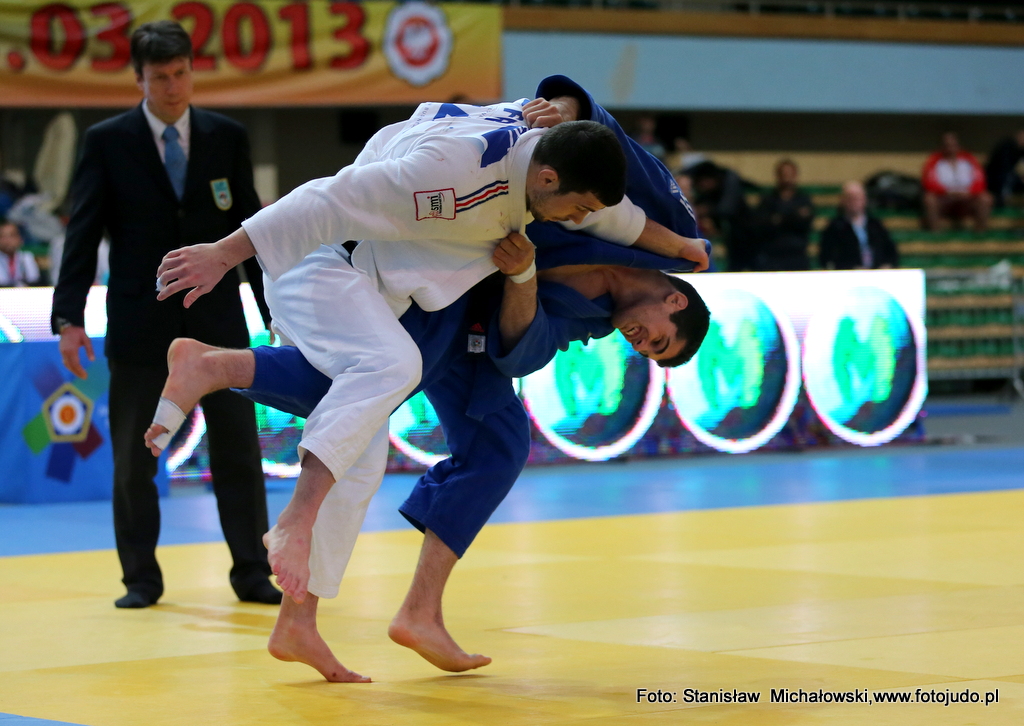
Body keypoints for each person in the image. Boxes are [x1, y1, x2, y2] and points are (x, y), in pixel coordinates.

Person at [149, 76, 710, 681]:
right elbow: (328, 199)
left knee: (409, 441)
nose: (579, 221)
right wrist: (223, 254)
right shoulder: (464, 177)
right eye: (657, 340)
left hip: (462, 313)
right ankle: (217, 368)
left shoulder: (596, 262)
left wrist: (528, 279)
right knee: (372, 380)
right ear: (674, 301)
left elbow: (591, 249)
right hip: (365, 273)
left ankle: (319, 618)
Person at [50, 20, 279, 609]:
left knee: (236, 449)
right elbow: (83, 230)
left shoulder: (226, 135)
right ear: (139, 79)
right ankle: (141, 579)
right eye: (160, 77)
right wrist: (67, 318)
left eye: (181, 74)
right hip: (140, 321)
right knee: (134, 456)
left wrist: (271, 307)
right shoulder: (108, 140)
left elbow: (250, 227)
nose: (173, 87)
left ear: (192, 71)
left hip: (219, 320)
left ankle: (252, 571)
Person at [818, 181, 899, 270]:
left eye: (858, 198)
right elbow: (827, 258)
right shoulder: (835, 227)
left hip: (877, 273)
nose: (855, 202)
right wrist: (851, 268)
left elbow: (891, 252)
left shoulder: (875, 225)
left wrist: (887, 265)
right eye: (851, 198)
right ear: (843, 200)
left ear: (865, 199)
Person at [921, 132, 992, 232]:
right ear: (942, 147)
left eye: (953, 145)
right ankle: (935, 232)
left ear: (958, 146)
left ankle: (981, 231)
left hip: (967, 198)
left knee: (986, 198)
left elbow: (980, 181)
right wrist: (948, 192)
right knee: (929, 199)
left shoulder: (969, 160)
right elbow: (929, 183)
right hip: (945, 199)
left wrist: (968, 192)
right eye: (947, 145)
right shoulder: (934, 162)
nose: (950, 148)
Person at [753, 158, 814, 271]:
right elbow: (762, 225)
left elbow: (806, 222)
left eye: (789, 174)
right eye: (783, 174)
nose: (786, 178)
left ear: (795, 175)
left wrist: (780, 219)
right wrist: (794, 216)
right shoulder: (768, 200)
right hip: (773, 258)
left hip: (798, 256)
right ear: (778, 176)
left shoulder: (803, 199)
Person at [984, 130, 1024, 208]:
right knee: (1008, 179)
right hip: (995, 180)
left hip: (1011, 179)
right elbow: (1004, 170)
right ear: (1019, 136)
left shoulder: (1020, 151)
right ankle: (1002, 202)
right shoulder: (1006, 147)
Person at [0, 221, 41, 287]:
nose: (7, 240)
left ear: (20, 239)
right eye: (3, 236)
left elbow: (33, 279)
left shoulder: (27, 257)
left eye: (12, 236)